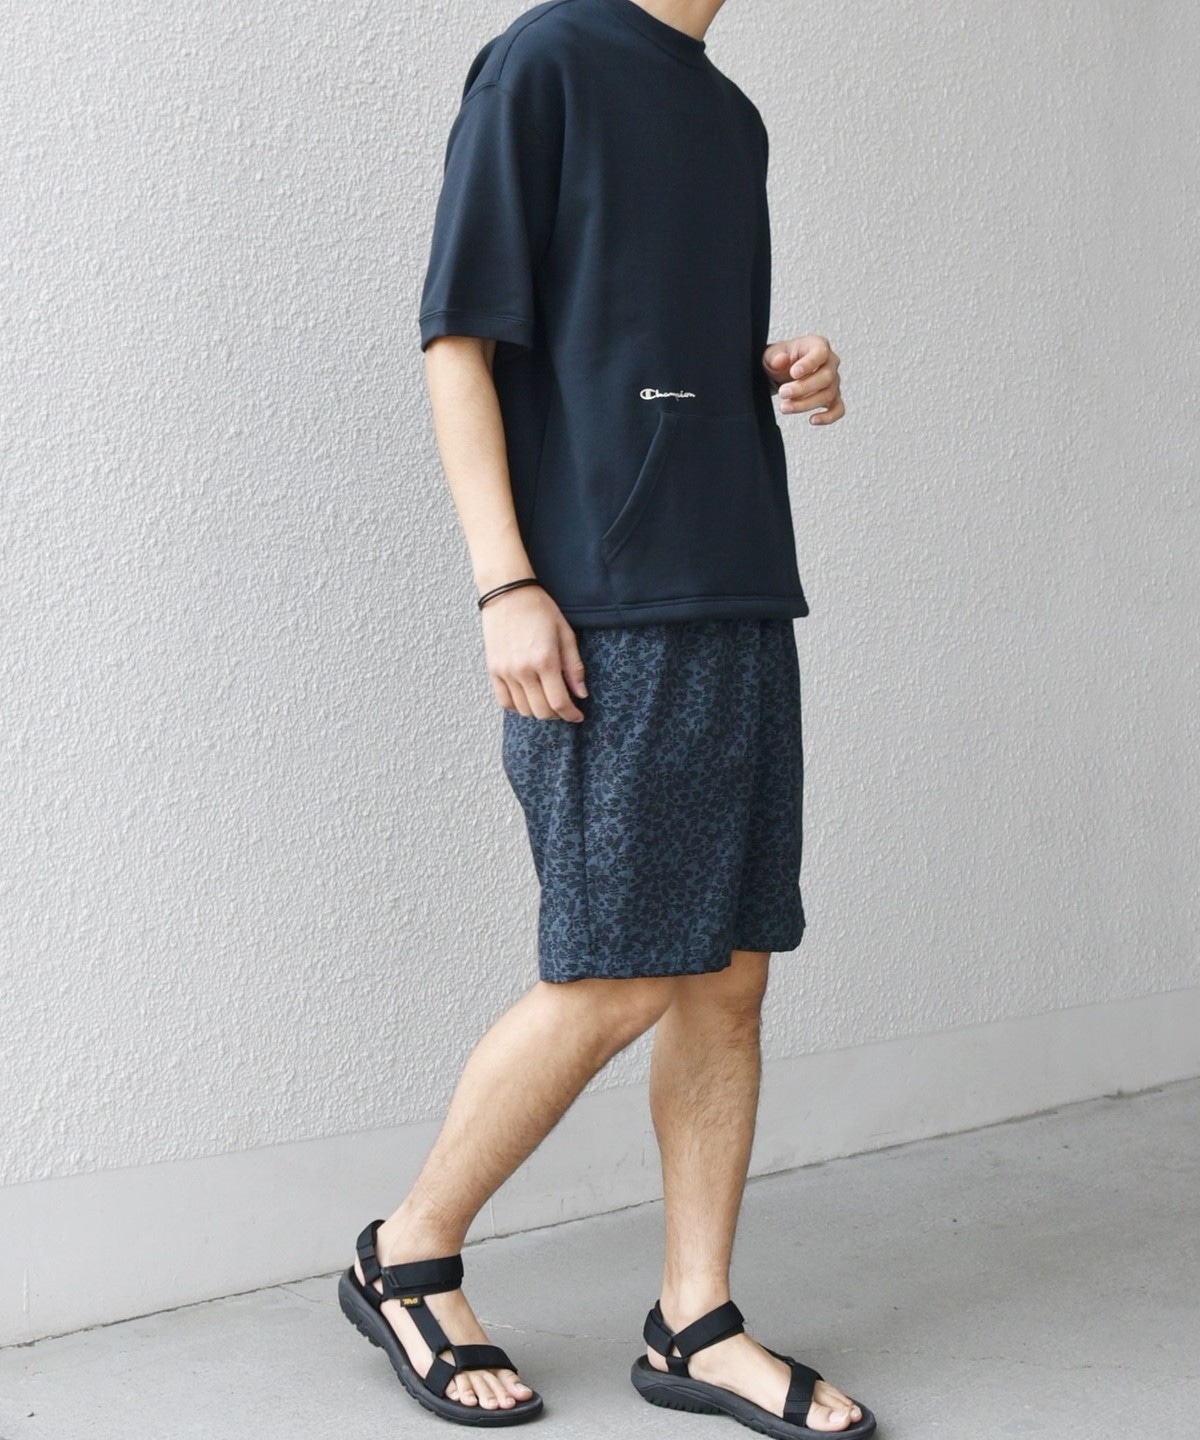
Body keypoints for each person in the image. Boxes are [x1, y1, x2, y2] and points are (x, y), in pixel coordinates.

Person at [338, 2, 874, 1436]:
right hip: (604, 608)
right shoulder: (549, 61)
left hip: (737, 586)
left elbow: (640, 351)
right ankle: (407, 1254)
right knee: (622, 968)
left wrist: (780, 369)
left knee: (730, 975)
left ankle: (696, 1321)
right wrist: (505, 582)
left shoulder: (729, 116)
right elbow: (459, 339)